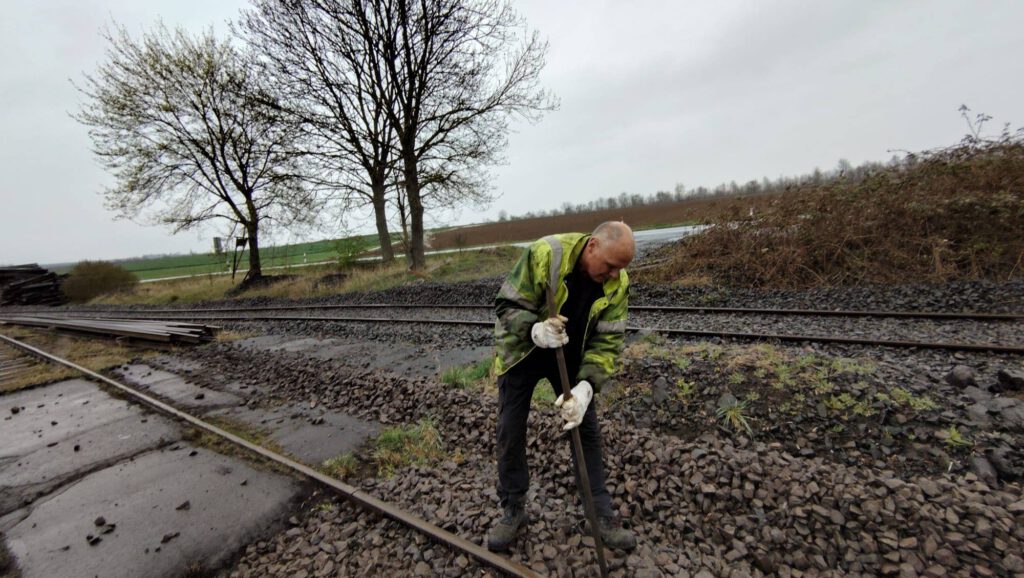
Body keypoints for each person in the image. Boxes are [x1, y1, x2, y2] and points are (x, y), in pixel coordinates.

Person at [487, 221, 638, 552]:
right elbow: (505, 305)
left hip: (571, 353)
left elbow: (608, 341)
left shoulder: (618, 283)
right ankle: (513, 508)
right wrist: (535, 329)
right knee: (510, 429)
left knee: (586, 431)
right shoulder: (546, 254)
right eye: (611, 266)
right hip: (524, 349)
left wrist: (587, 387)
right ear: (593, 246)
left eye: (622, 268)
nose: (615, 274)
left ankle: (600, 517)